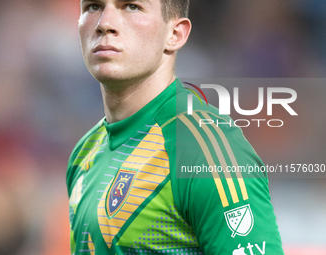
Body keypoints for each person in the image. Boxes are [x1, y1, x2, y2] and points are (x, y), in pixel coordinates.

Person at [67, 0, 284, 254]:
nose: (105, 24)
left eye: (132, 6)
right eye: (93, 6)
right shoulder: (84, 153)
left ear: (175, 34)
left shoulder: (201, 148)